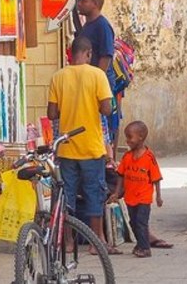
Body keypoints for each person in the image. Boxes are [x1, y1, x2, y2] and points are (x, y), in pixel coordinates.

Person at [48, 36, 121, 254]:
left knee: (67, 195)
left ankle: (68, 242)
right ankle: (95, 241)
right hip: (91, 147)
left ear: (71, 53)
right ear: (88, 54)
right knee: (94, 193)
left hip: (66, 147)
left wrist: (68, 107)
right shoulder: (98, 75)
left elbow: (51, 113)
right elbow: (107, 109)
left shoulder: (58, 76)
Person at [75, 0, 121, 154]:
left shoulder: (102, 26)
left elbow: (106, 56)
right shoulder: (88, 24)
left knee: (104, 122)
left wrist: (96, 80)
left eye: (84, 1)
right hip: (89, 79)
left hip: (99, 81)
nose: (79, 4)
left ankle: (106, 157)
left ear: (95, 4)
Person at [109, 121, 164, 258]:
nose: (127, 141)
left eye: (130, 137)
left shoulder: (149, 157)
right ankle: (140, 244)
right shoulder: (127, 157)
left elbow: (156, 178)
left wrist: (158, 196)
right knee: (133, 222)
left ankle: (145, 248)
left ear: (141, 137)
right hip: (130, 197)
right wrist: (116, 192)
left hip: (144, 198)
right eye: (126, 137)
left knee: (141, 222)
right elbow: (121, 176)